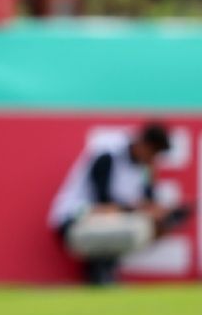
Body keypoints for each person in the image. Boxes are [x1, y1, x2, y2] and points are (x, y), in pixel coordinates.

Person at [48, 122, 186, 285]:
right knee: (132, 225)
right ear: (144, 144)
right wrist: (139, 209)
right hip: (74, 220)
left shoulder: (145, 168)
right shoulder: (108, 155)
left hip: (108, 221)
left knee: (156, 224)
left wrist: (165, 213)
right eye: (153, 152)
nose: (153, 158)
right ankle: (98, 271)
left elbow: (149, 202)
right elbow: (102, 204)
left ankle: (106, 270)